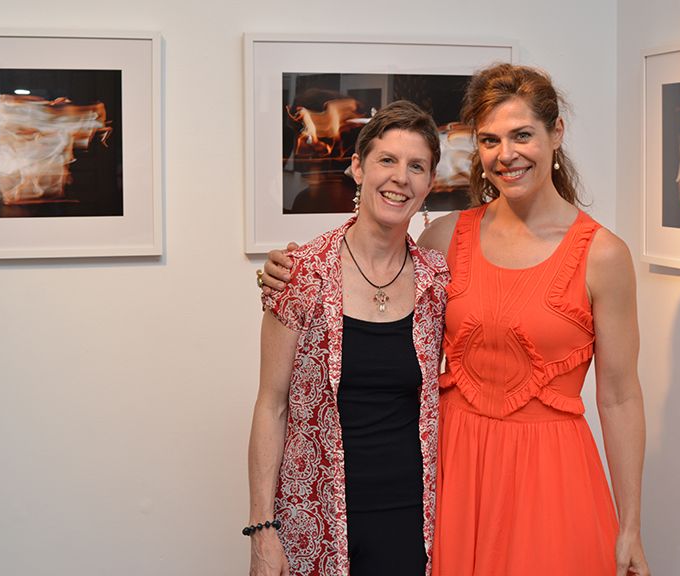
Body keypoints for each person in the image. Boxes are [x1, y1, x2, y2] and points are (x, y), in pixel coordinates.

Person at [260, 63, 650, 576]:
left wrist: (631, 526)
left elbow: (619, 396)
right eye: (489, 139)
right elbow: (372, 300)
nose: (505, 154)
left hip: (550, 475)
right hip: (453, 476)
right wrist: (287, 271)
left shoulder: (603, 255)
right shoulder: (443, 240)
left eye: (522, 135)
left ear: (556, 133)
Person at [247, 100, 449, 576]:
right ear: (358, 167)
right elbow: (271, 405)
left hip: (413, 524)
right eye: (387, 160)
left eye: (416, 166)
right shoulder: (300, 274)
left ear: (430, 184)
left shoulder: (437, 281)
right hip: (314, 520)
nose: (401, 177)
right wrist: (261, 528)